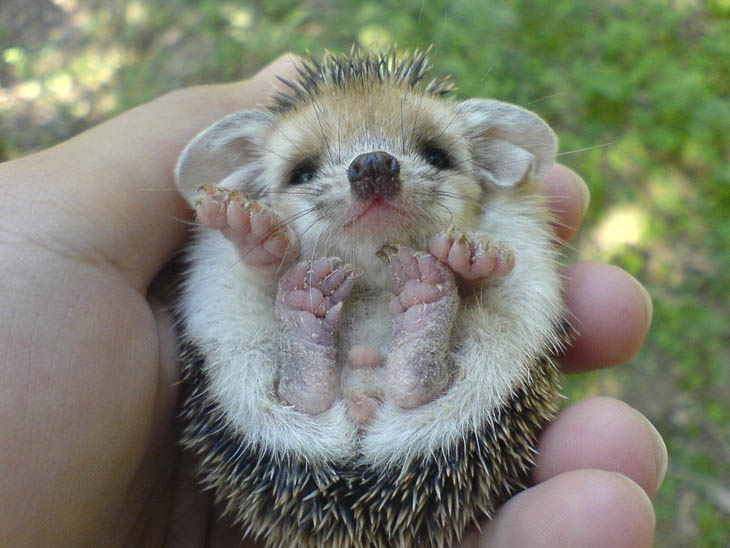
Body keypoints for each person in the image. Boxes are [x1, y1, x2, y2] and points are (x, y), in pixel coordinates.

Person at [0, 55, 664, 547]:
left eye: (430, 151)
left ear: (490, 162)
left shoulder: (471, 213)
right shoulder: (274, 223)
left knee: (492, 276)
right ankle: (415, 352)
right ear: (251, 174)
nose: (374, 170)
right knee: (247, 273)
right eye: (304, 170)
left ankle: (316, 366)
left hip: (341, 403)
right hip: (396, 403)